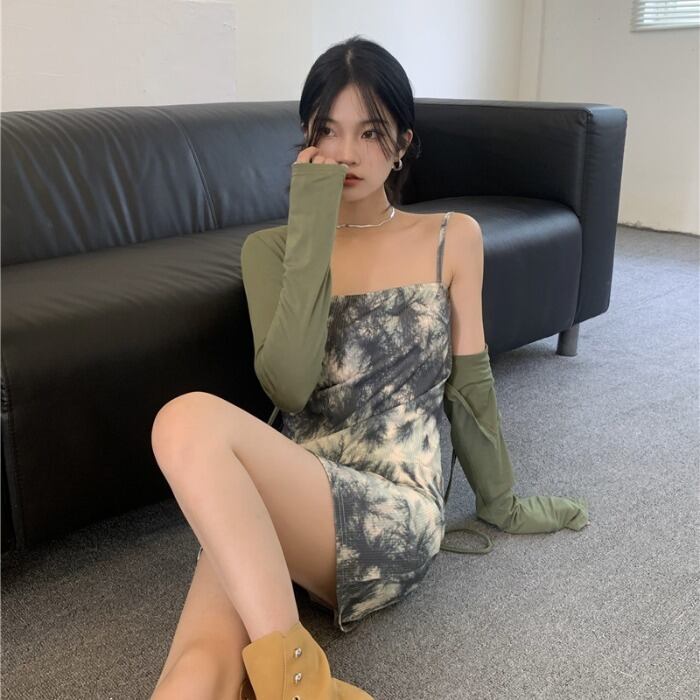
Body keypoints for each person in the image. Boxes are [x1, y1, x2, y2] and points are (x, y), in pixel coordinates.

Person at [149, 35, 588, 700]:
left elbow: (470, 386)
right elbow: (290, 386)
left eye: (370, 132)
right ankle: (301, 683)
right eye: (327, 131)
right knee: (196, 669)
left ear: (402, 143)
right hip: (291, 493)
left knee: (184, 421)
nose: (347, 154)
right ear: (306, 138)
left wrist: (501, 502)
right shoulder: (271, 251)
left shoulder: (451, 237)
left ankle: (299, 681)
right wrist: (310, 227)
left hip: (392, 510)